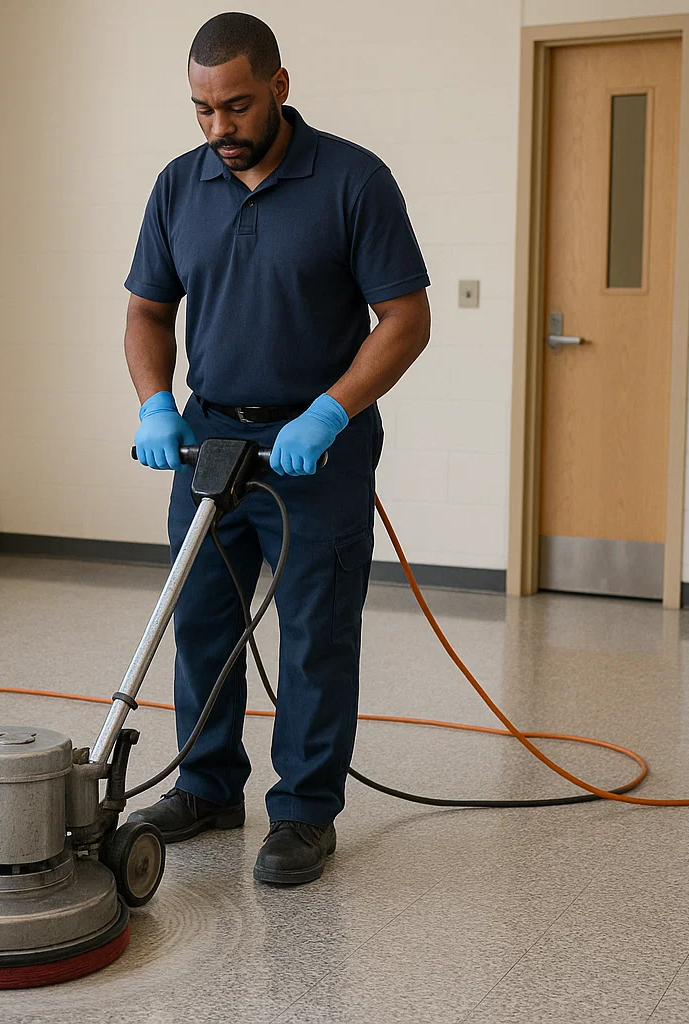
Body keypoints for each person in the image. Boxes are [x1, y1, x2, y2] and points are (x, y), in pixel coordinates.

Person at [124, 12, 431, 886]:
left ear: (280, 87)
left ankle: (302, 812)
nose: (219, 128)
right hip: (211, 436)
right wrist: (156, 405)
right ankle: (209, 786)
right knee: (203, 622)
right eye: (201, 110)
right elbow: (148, 312)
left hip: (315, 446)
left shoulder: (353, 181)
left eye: (237, 106)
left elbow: (406, 317)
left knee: (314, 633)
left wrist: (331, 412)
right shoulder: (178, 187)